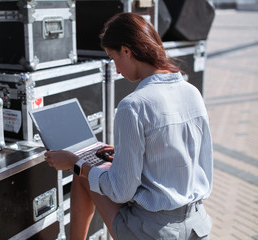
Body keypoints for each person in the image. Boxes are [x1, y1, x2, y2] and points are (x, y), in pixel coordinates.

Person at [44, 12, 213, 240]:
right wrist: (126, 154)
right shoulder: (192, 92)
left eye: (113, 58)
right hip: (197, 225)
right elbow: (196, 161)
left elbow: (121, 192)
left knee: (82, 177)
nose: (116, 69)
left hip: (153, 232)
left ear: (126, 50)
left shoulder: (133, 106)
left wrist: (75, 163)